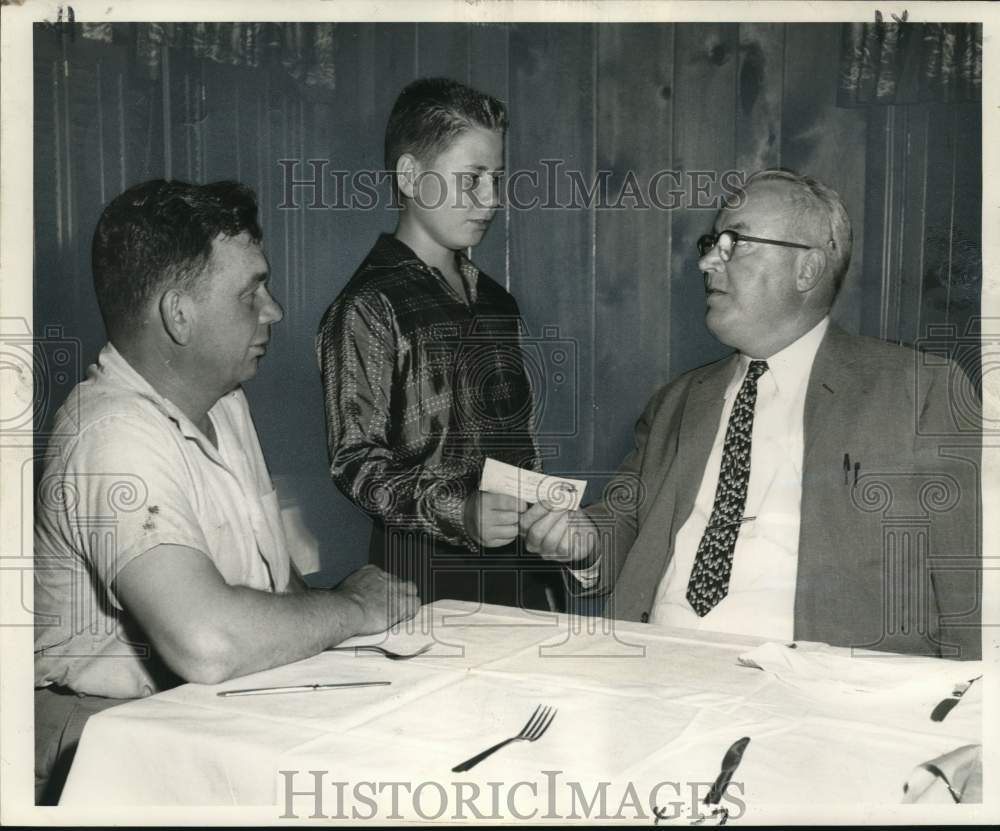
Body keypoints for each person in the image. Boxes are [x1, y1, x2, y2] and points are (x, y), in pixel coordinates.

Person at [34, 179, 420, 804]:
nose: (274, 310)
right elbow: (207, 644)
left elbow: (278, 591)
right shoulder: (111, 437)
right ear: (178, 314)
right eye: (250, 293)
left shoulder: (224, 404)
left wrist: (346, 625)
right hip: (97, 742)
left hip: (206, 712)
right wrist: (353, 609)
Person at [520, 169, 981, 660]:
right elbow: (626, 525)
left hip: (821, 695)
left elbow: (974, 587)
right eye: (710, 242)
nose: (706, 262)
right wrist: (585, 542)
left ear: (807, 269)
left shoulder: (915, 390)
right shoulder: (677, 401)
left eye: (734, 242)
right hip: (654, 668)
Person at [318, 77, 560, 610]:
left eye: (496, 179)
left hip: (518, 572)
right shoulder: (368, 306)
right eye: (471, 179)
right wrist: (461, 511)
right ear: (410, 177)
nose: (491, 200)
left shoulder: (499, 303)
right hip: (421, 576)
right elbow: (356, 462)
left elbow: (518, 443)